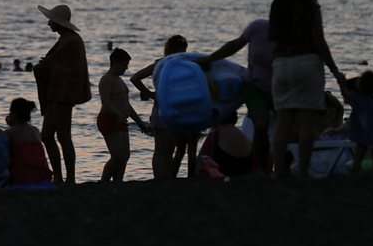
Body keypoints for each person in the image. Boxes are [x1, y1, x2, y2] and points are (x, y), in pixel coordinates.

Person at [269, 0, 347, 178]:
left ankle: (278, 171)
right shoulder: (310, 6)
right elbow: (319, 42)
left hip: (282, 64)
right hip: (308, 64)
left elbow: (272, 41)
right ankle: (303, 170)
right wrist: (335, 71)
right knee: (306, 120)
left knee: (282, 121)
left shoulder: (278, 6)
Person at [195, 19, 274, 172]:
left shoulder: (290, 33)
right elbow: (234, 45)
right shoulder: (257, 27)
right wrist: (211, 58)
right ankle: (262, 171)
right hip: (255, 85)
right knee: (260, 127)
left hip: (280, 86)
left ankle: (272, 170)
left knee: (278, 130)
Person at [34, 4, 91, 185]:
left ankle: (70, 178)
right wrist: (47, 65)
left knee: (63, 136)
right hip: (56, 94)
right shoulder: (66, 39)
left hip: (63, 94)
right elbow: (59, 63)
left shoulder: (71, 41)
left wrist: (46, 65)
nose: (48, 23)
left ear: (58, 22)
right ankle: (58, 176)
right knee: (47, 136)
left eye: (51, 20)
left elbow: (73, 70)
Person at [130, 35, 191, 179]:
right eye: (180, 50)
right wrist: (150, 94)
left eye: (184, 51)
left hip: (174, 110)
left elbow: (135, 78)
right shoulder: (161, 64)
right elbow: (135, 78)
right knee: (161, 149)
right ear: (171, 50)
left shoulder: (173, 64)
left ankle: (166, 178)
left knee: (169, 149)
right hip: (163, 109)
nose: (183, 54)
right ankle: (159, 178)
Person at [98, 48, 149, 182]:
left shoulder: (120, 80)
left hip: (121, 120)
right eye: (125, 64)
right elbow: (106, 102)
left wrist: (139, 122)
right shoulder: (106, 79)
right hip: (108, 119)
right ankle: (104, 181)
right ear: (116, 62)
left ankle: (118, 181)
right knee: (117, 156)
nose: (127, 68)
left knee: (125, 155)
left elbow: (127, 105)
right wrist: (118, 114)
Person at [5, 98, 52, 185]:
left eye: (10, 111)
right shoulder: (35, 130)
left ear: (14, 114)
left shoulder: (9, 133)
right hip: (43, 177)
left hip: (21, 177)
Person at [196, 112, 256, 178]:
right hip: (243, 177)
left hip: (222, 177)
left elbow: (199, 168)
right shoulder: (246, 139)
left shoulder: (214, 136)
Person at [346, 71, 373, 175]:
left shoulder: (355, 98)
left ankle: (355, 170)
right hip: (372, 133)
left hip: (360, 133)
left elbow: (346, 88)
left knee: (359, 154)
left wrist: (341, 79)